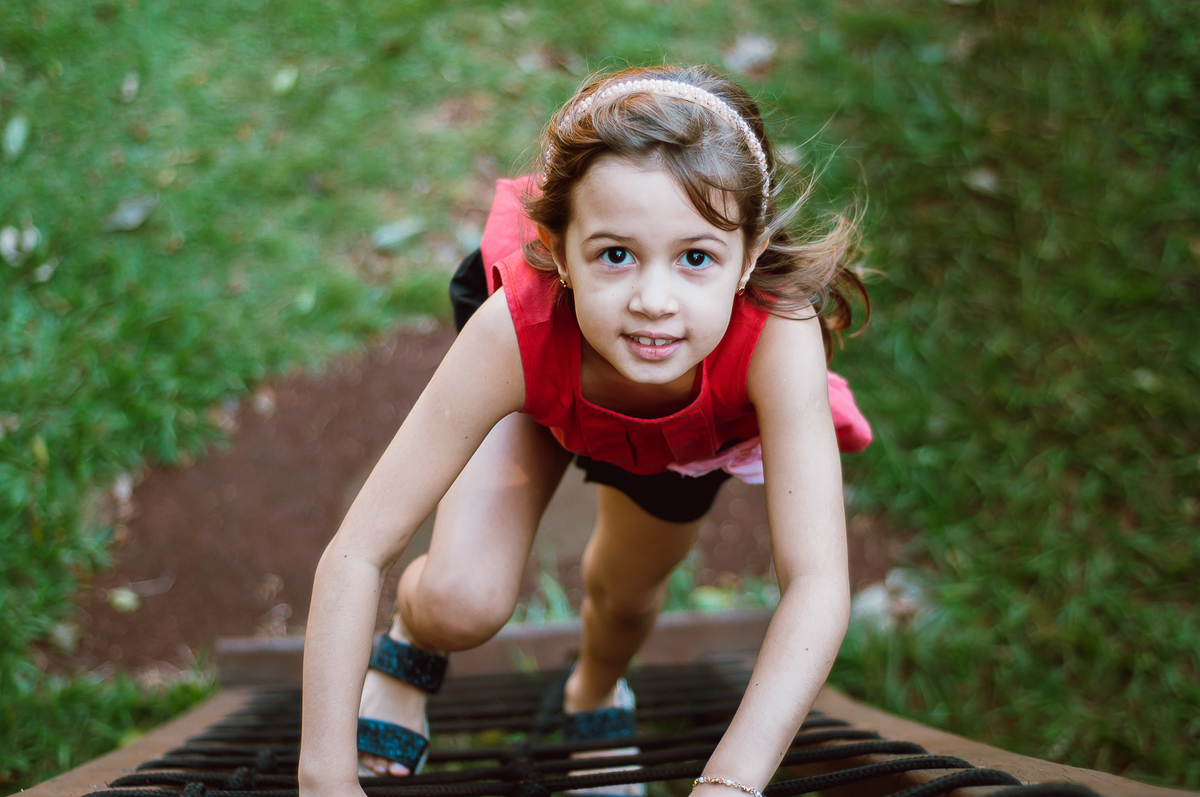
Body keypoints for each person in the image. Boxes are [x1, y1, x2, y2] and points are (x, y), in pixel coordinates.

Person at [298, 63, 871, 797]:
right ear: (560, 248)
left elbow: (818, 582)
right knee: (460, 598)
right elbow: (356, 549)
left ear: (748, 258)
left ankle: (596, 694)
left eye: (696, 257)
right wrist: (323, 776)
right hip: (551, 387)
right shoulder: (516, 331)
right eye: (616, 254)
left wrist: (730, 783)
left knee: (626, 597)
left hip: (686, 440)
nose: (654, 302)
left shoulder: (777, 337)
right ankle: (415, 638)